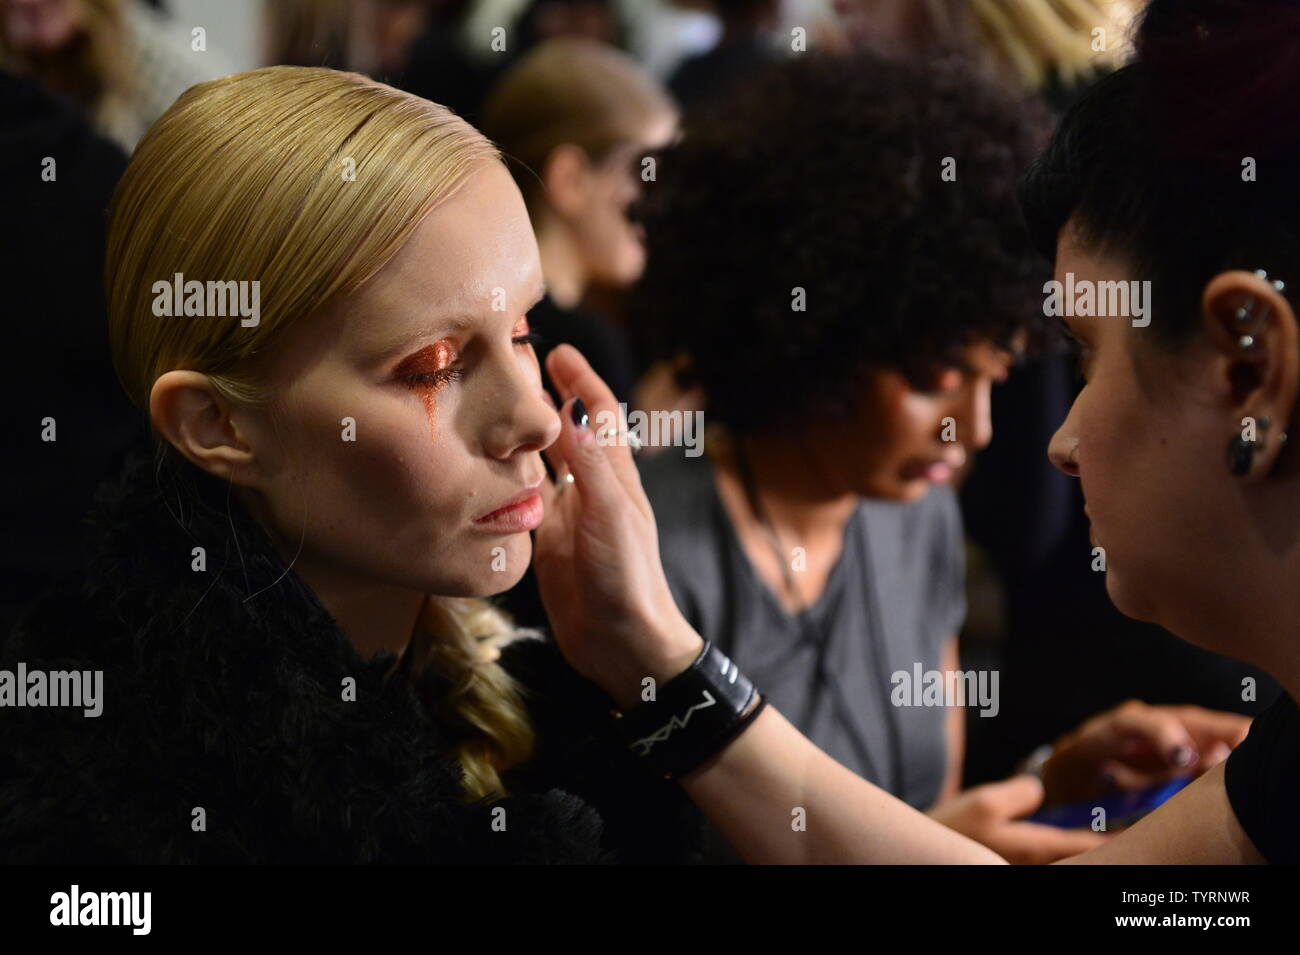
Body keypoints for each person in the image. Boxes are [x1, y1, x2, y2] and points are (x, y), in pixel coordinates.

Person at [531, 0, 1300, 865]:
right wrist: (1049, 784)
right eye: (939, 378)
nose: (1059, 440)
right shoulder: (649, 547)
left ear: (1251, 366)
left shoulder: (916, 524)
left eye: (1087, 357)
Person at [0, 66, 703, 864]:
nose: (538, 416)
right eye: (433, 365)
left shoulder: (545, 681)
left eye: (520, 329)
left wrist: (661, 659)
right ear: (219, 423)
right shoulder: (105, 806)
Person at [481, 37, 677, 409]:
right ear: (570, 180)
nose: (658, 206)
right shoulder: (586, 348)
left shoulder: (476, 315)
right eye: (644, 173)